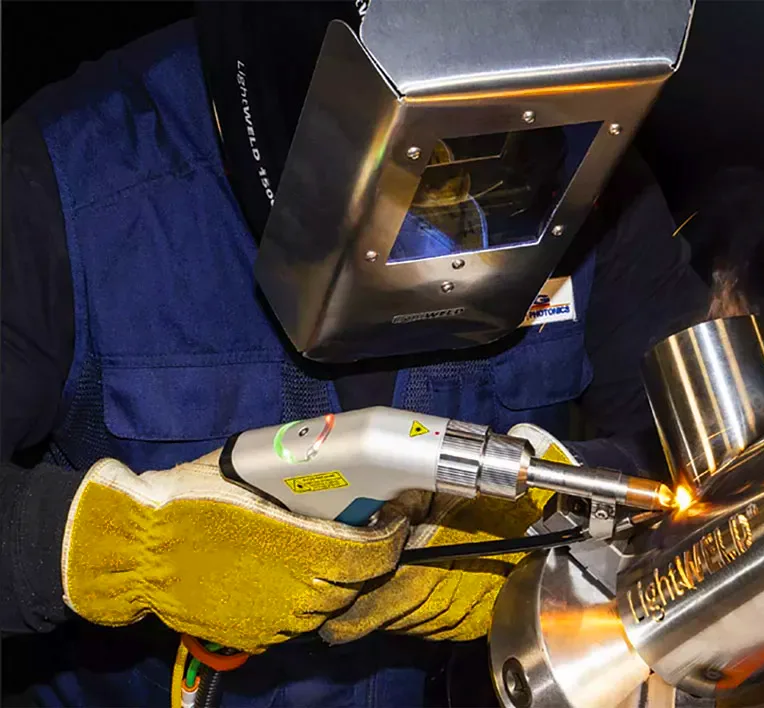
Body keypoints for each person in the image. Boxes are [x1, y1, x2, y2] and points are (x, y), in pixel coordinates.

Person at [1, 3, 708, 706]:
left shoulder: (586, 165)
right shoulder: (68, 182)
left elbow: (700, 471)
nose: (462, 188)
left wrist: (556, 520)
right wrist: (111, 546)